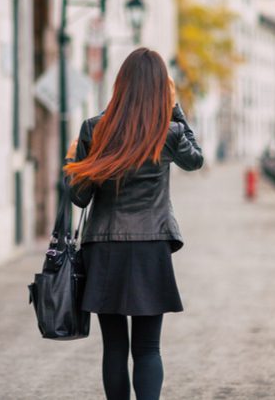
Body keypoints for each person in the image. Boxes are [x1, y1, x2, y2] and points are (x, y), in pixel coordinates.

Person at [63, 47, 203, 400]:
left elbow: (78, 197)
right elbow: (196, 159)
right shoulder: (167, 132)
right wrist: (175, 108)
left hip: (104, 247)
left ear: (120, 85)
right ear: (161, 88)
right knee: (147, 349)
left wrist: (72, 160)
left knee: (114, 348)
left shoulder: (95, 129)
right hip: (150, 247)